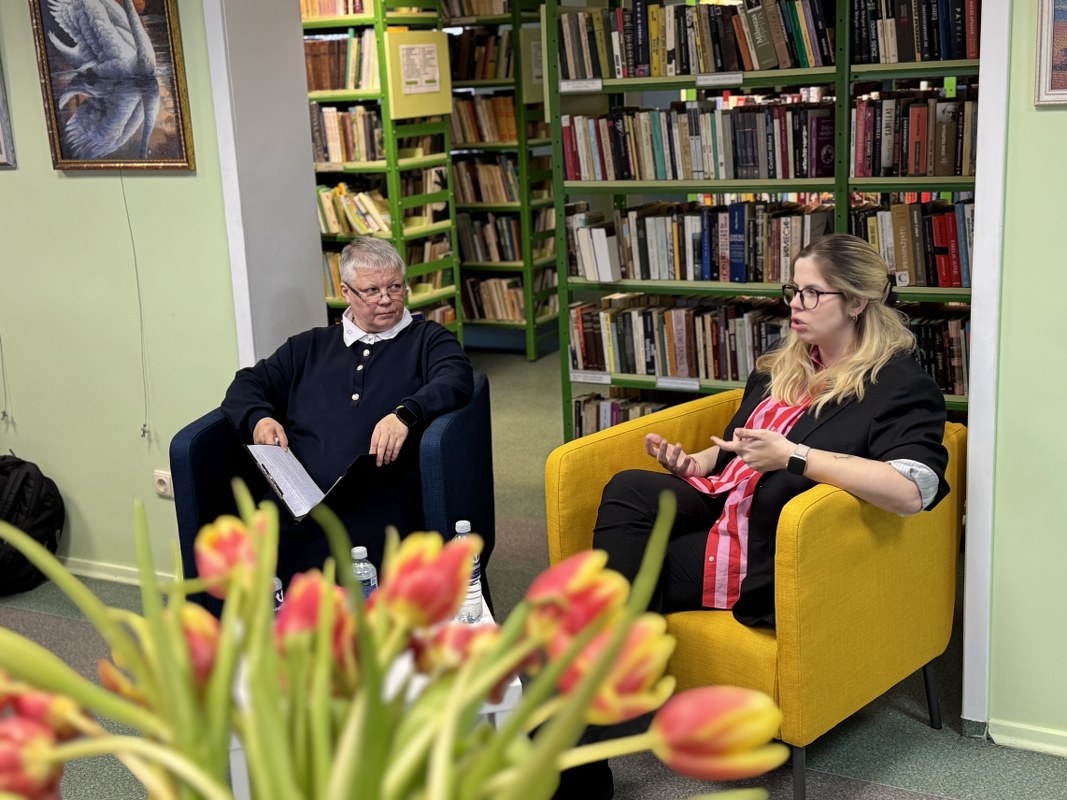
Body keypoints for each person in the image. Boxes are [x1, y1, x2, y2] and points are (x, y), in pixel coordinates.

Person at [557, 233, 951, 799]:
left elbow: (913, 489)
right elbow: (741, 448)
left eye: (812, 293)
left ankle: (581, 719)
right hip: (726, 502)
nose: (795, 304)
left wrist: (796, 456)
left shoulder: (898, 385)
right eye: (792, 289)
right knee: (630, 489)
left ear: (856, 302)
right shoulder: (782, 367)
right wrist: (698, 460)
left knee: (620, 578)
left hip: (772, 543)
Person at [221, 237, 474, 585]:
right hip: (299, 501)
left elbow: (456, 377)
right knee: (255, 549)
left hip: (378, 499)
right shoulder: (308, 346)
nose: (386, 299)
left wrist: (405, 414)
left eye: (395, 287)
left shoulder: (427, 338)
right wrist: (259, 419)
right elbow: (246, 383)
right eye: (371, 291)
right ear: (346, 292)